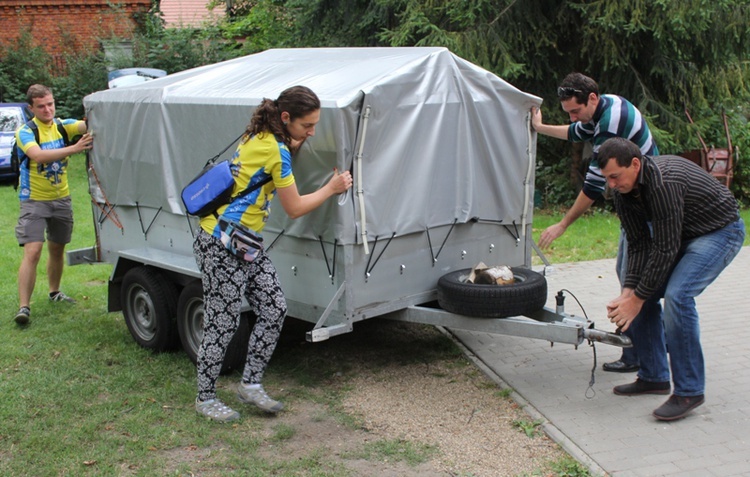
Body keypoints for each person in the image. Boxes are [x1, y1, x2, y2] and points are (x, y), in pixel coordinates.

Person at [193, 85, 353, 422]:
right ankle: (205, 398)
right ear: (285, 118)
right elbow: (294, 208)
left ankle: (250, 384)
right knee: (222, 321)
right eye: (306, 126)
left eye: (314, 126)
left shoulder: (260, 134)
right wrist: (331, 188)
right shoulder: (275, 150)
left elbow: (276, 156)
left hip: (245, 242)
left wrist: (295, 143)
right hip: (221, 241)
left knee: (274, 307)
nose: (311, 132)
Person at [599, 137, 745, 421]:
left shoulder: (664, 182)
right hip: (684, 234)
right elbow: (640, 244)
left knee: (679, 296)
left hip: (720, 231)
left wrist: (636, 299)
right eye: (607, 179)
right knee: (642, 294)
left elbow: (665, 249)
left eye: (615, 176)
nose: (612, 184)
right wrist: (629, 293)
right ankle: (653, 376)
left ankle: (689, 391)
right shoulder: (621, 192)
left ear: (636, 164)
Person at [531, 72, 659, 373]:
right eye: (569, 113)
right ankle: (651, 344)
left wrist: (562, 224)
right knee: (627, 272)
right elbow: (575, 132)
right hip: (635, 203)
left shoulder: (612, 122)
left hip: (650, 204)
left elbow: (593, 186)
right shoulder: (603, 109)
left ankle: (637, 353)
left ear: (591, 98)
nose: (574, 117)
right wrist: (539, 127)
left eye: (576, 110)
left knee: (634, 279)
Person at [13, 84, 93, 326]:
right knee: (33, 251)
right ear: (31, 108)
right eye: (41, 106)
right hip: (34, 201)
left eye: (50, 104)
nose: (47, 109)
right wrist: (76, 148)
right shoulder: (26, 131)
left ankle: (54, 292)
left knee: (57, 249)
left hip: (62, 199)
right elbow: (38, 156)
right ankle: (24, 307)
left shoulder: (61, 126)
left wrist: (94, 113)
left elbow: (88, 124)